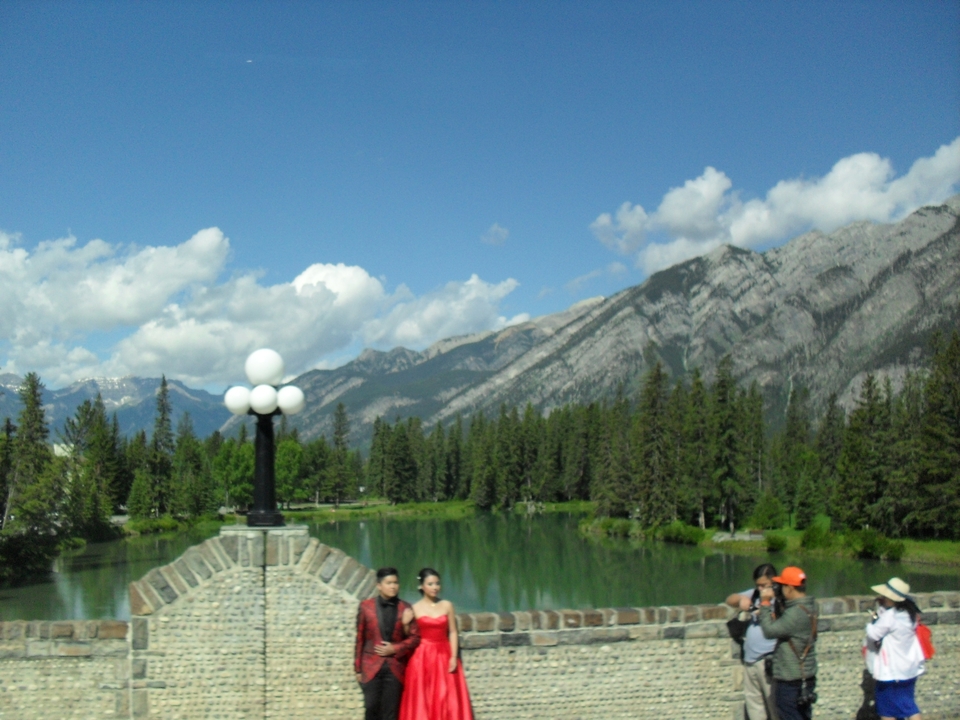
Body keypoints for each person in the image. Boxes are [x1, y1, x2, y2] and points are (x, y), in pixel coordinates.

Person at [398, 568, 473, 720]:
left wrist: (453, 656)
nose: (435, 587)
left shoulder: (447, 605)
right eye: (430, 584)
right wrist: (405, 624)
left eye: (437, 583)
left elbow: (452, 631)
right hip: (422, 656)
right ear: (421, 586)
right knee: (423, 697)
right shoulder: (414, 608)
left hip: (444, 654)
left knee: (447, 695)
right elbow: (408, 636)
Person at [355, 567, 422, 720]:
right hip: (371, 666)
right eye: (389, 583)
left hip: (395, 667)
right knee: (371, 708)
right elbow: (359, 639)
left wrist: (395, 648)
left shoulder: (405, 608)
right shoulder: (366, 607)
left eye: (396, 582)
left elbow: (415, 638)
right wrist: (358, 669)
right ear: (379, 585)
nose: (393, 586)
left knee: (391, 712)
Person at [759, 566, 818, 720]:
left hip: (790, 681)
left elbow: (769, 631)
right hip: (805, 677)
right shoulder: (810, 606)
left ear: (790, 588)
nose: (781, 589)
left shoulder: (794, 614)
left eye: (783, 586)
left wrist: (765, 604)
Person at [864, 577, 925, 720]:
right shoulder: (910, 615)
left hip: (891, 672)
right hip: (909, 669)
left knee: (888, 710)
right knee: (908, 705)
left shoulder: (890, 617)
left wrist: (872, 622)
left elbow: (873, 634)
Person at [725, 563, 779, 720]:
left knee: (775, 709)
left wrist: (766, 605)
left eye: (764, 585)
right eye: (758, 586)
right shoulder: (755, 594)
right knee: (755, 710)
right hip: (750, 662)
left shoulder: (781, 599)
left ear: (773, 582)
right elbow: (730, 599)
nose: (761, 589)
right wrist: (741, 600)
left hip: (769, 661)